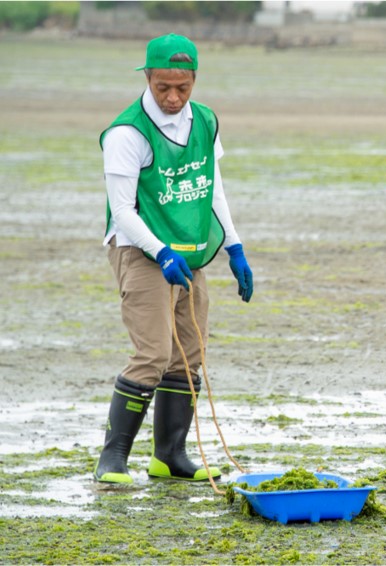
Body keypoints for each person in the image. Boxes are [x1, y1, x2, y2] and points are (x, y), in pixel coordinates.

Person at [94, 33, 254, 484]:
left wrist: (234, 247)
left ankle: (169, 457)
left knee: (188, 352)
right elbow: (122, 211)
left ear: (194, 80)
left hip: (189, 248)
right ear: (147, 76)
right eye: (163, 86)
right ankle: (113, 459)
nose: (172, 96)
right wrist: (159, 252)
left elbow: (212, 187)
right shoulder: (127, 132)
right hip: (139, 248)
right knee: (154, 352)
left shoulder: (204, 121)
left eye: (182, 87)